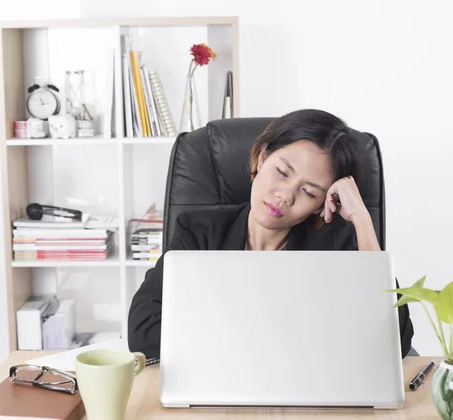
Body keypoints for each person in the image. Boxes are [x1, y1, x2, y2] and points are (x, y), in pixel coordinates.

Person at [127, 109, 414, 359]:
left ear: (321, 204)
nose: (285, 196)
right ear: (263, 158)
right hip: (220, 378)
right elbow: (143, 331)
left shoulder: (336, 243)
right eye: (283, 172)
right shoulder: (199, 231)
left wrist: (362, 220)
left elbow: (394, 341)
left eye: (309, 191)